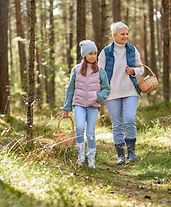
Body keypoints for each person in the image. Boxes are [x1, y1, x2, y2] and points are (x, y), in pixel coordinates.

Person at [98, 22, 144, 165]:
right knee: (117, 124)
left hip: (130, 90)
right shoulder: (105, 52)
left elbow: (141, 68)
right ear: (114, 35)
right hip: (112, 93)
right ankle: (120, 156)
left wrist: (133, 71)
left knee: (129, 119)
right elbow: (99, 74)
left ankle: (131, 153)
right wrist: (100, 94)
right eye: (122, 34)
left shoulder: (132, 50)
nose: (125, 36)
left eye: (127, 34)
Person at [62, 40, 111, 168]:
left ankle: (91, 160)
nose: (93, 56)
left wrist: (99, 96)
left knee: (90, 132)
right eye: (90, 53)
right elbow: (70, 89)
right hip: (79, 105)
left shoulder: (100, 71)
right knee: (79, 128)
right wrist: (67, 107)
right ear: (84, 55)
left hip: (93, 106)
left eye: (95, 53)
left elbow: (106, 88)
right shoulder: (76, 70)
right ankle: (80, 157)